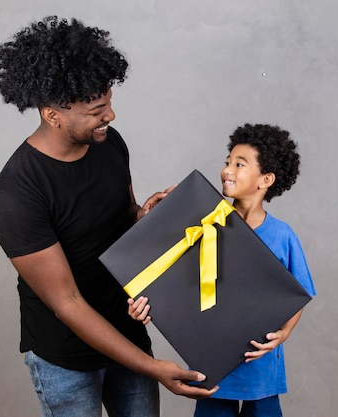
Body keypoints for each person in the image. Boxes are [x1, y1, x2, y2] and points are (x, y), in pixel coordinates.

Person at [0, 16, 216, 417]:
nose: (110, 117)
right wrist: (153, 368)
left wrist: (147, 214)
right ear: (52, 115)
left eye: (109, 103)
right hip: (66, 358)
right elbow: (68, 302)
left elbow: (123, 217)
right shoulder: (17, 194)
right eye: (97, 110)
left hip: (128, 328)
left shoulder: (109, 144)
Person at [129, 123, 317, 416]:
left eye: (239, 164)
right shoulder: (201, 223)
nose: (227, 170)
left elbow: (297, 294)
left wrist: (285, 333)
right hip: (212, 368)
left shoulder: (282, 236)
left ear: (265, 179)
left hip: (261, 370)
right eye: (227, 162)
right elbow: (170, 278)